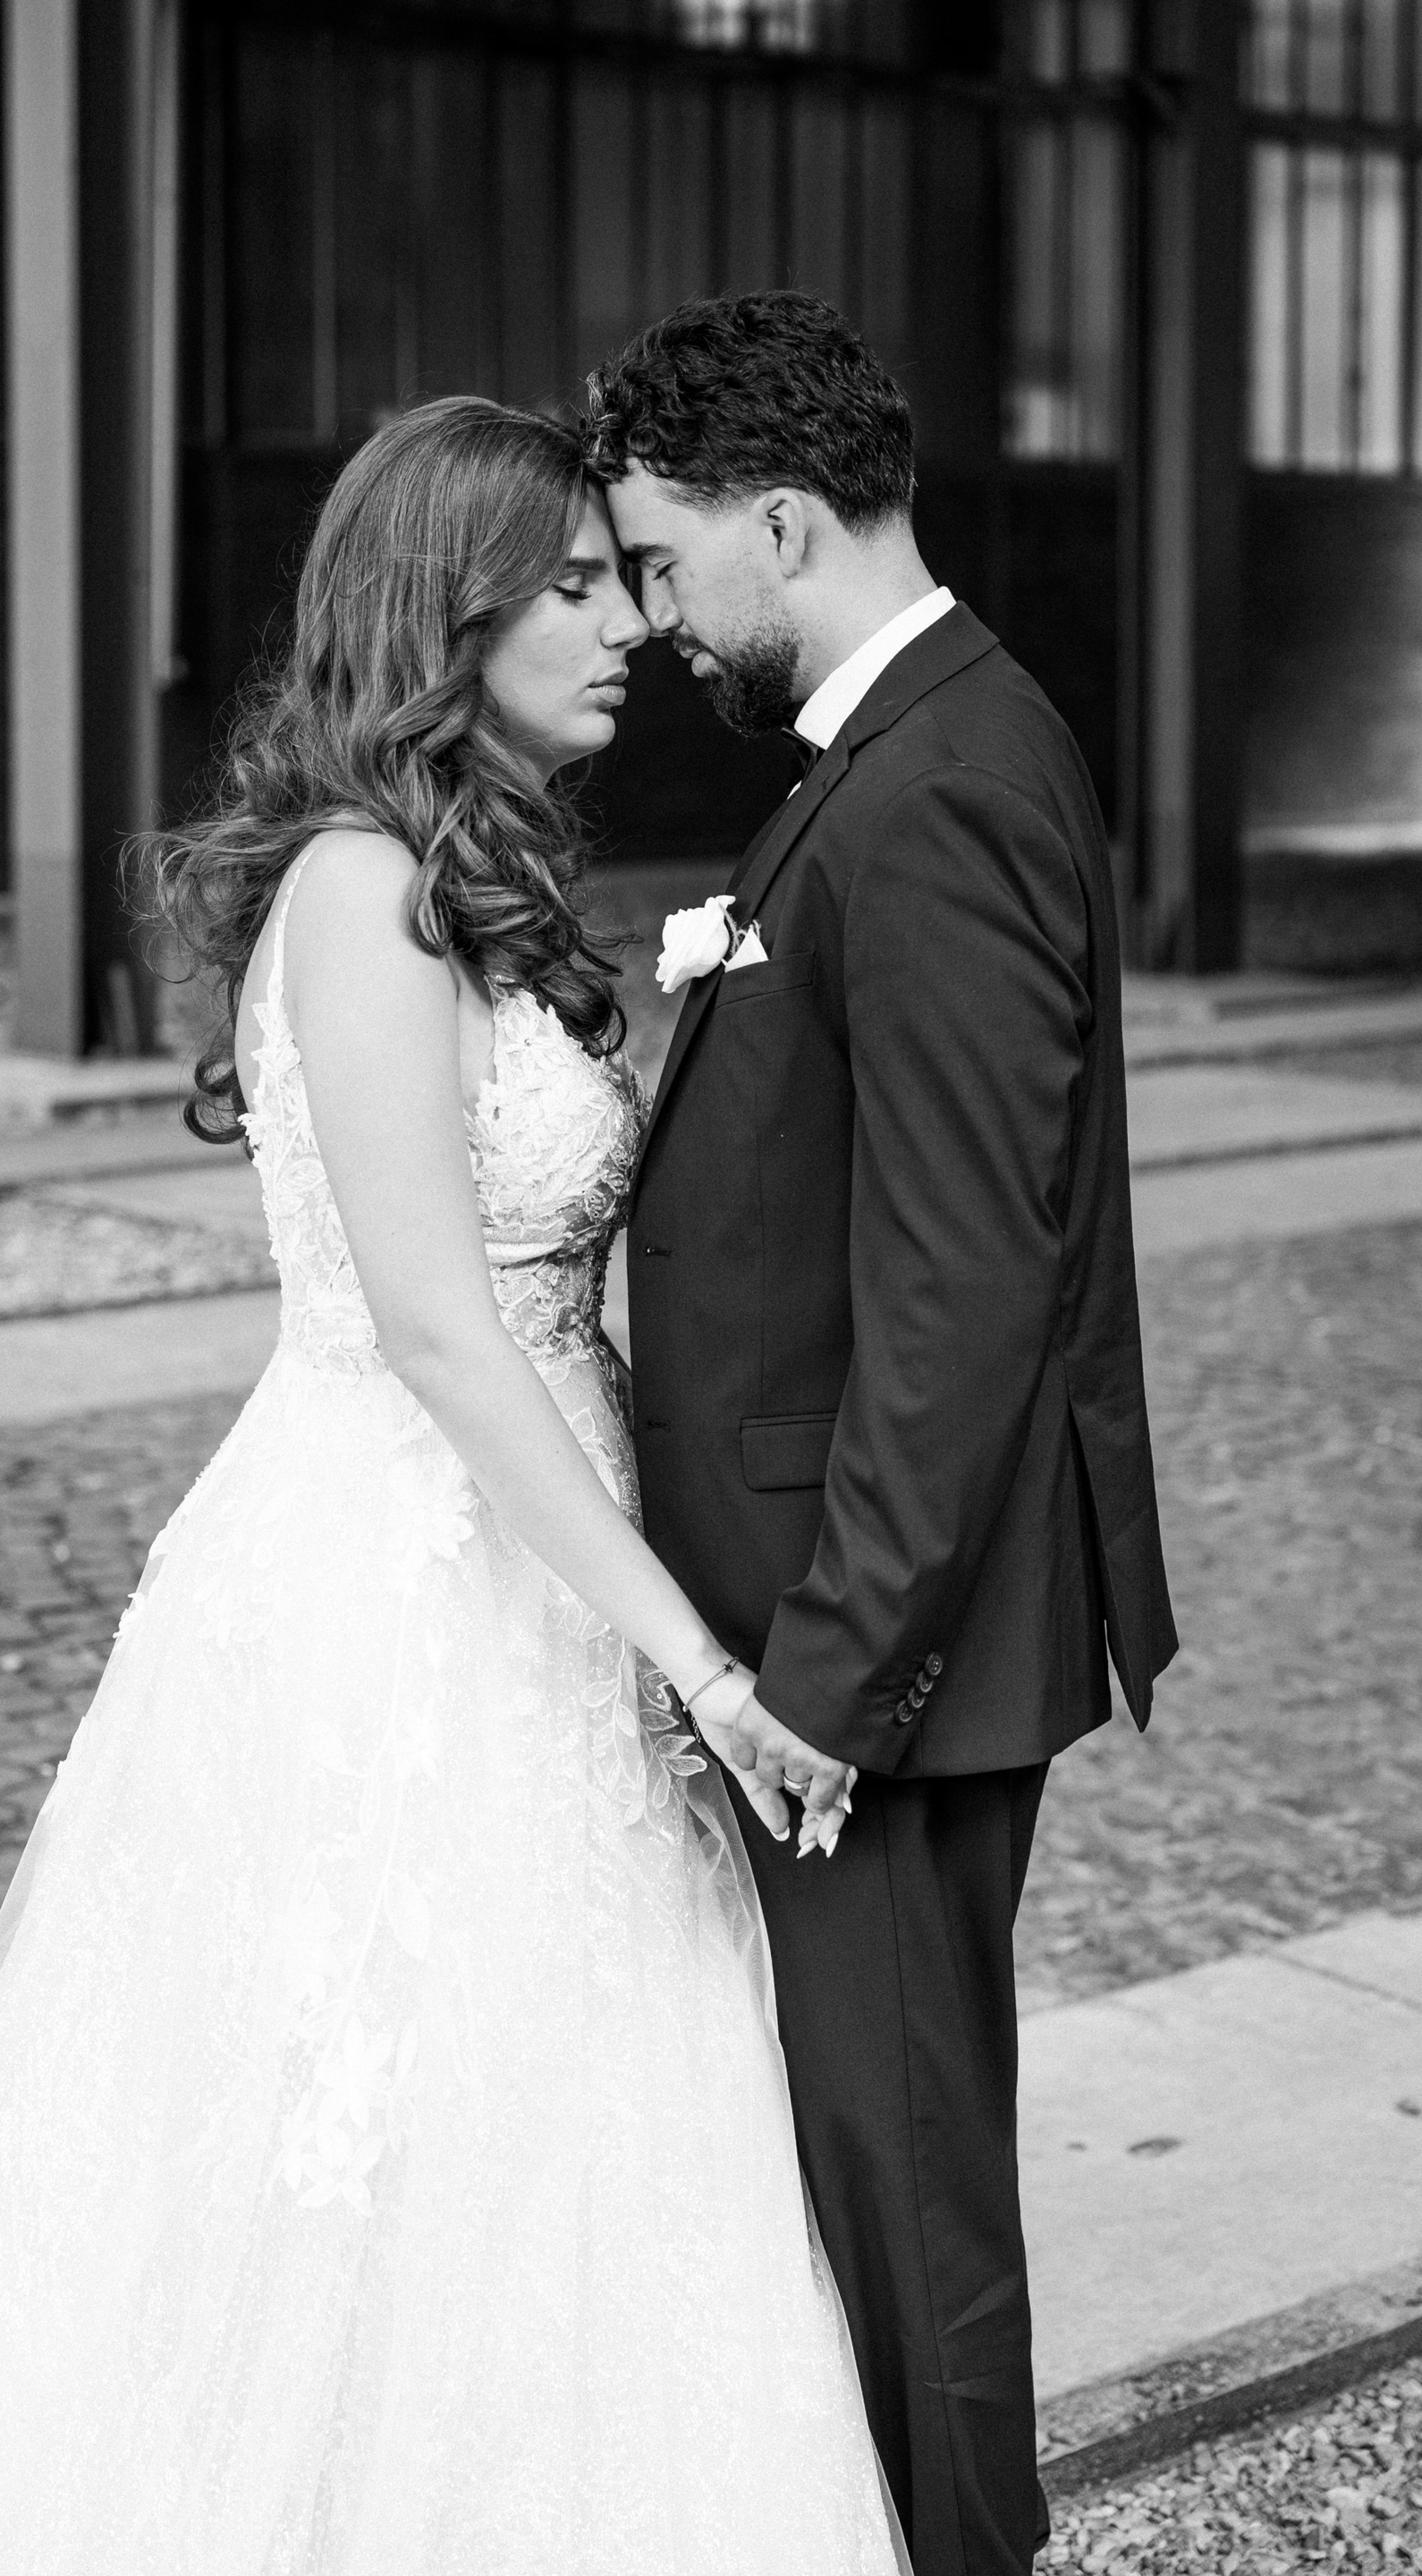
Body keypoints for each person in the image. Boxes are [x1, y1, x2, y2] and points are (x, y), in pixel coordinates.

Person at [0, 398, 906, 2576]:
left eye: (621, 579)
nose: (626, 624)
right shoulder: (361, 891)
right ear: (447, 611)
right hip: (404, 1580)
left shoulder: (479, 874)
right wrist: (707, 1665)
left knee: (557, 2124)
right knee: (355, 2118)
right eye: (570, 586)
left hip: (552, 1553)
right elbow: (440, 1331)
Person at [587, 294, 1177, 2576]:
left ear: (782, 522)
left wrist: (826, 1688)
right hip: (850, 1637)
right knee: (864, 2182)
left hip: (877, 1671)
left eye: (659, 562)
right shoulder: (904, 747)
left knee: (909, 2207)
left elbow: (959, 1293)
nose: (651, 612)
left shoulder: (936, 788)